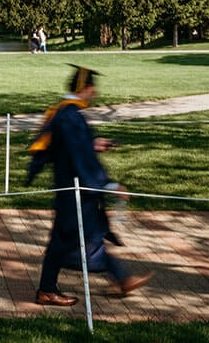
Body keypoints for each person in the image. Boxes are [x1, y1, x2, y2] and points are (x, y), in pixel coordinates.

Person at [27, 64, 152, 306]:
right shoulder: (71, 116)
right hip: (77, 190)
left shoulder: (64, 113)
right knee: (86, 239)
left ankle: (47, 289)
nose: (94, 93)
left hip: (68, 188)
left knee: (63, 239)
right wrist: (109, 185)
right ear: (85, 88)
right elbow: (79, 159)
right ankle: (120, 278)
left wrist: (92, 143)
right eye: (92, 89)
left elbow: (67, 147)